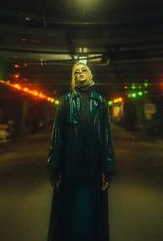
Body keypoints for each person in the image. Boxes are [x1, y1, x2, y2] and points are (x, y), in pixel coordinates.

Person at [47, 62, 116, 241]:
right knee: (70, 214)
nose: (80, 73)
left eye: (83, 70)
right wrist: (54, 169)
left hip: (94, 167)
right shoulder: (65, 101)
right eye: (76, 72)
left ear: (90, 74)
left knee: (92, 215)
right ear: (73, 77)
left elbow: (106, 136)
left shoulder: (100, 101)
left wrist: (107, 169)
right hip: (70, 167)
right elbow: (58, 136)